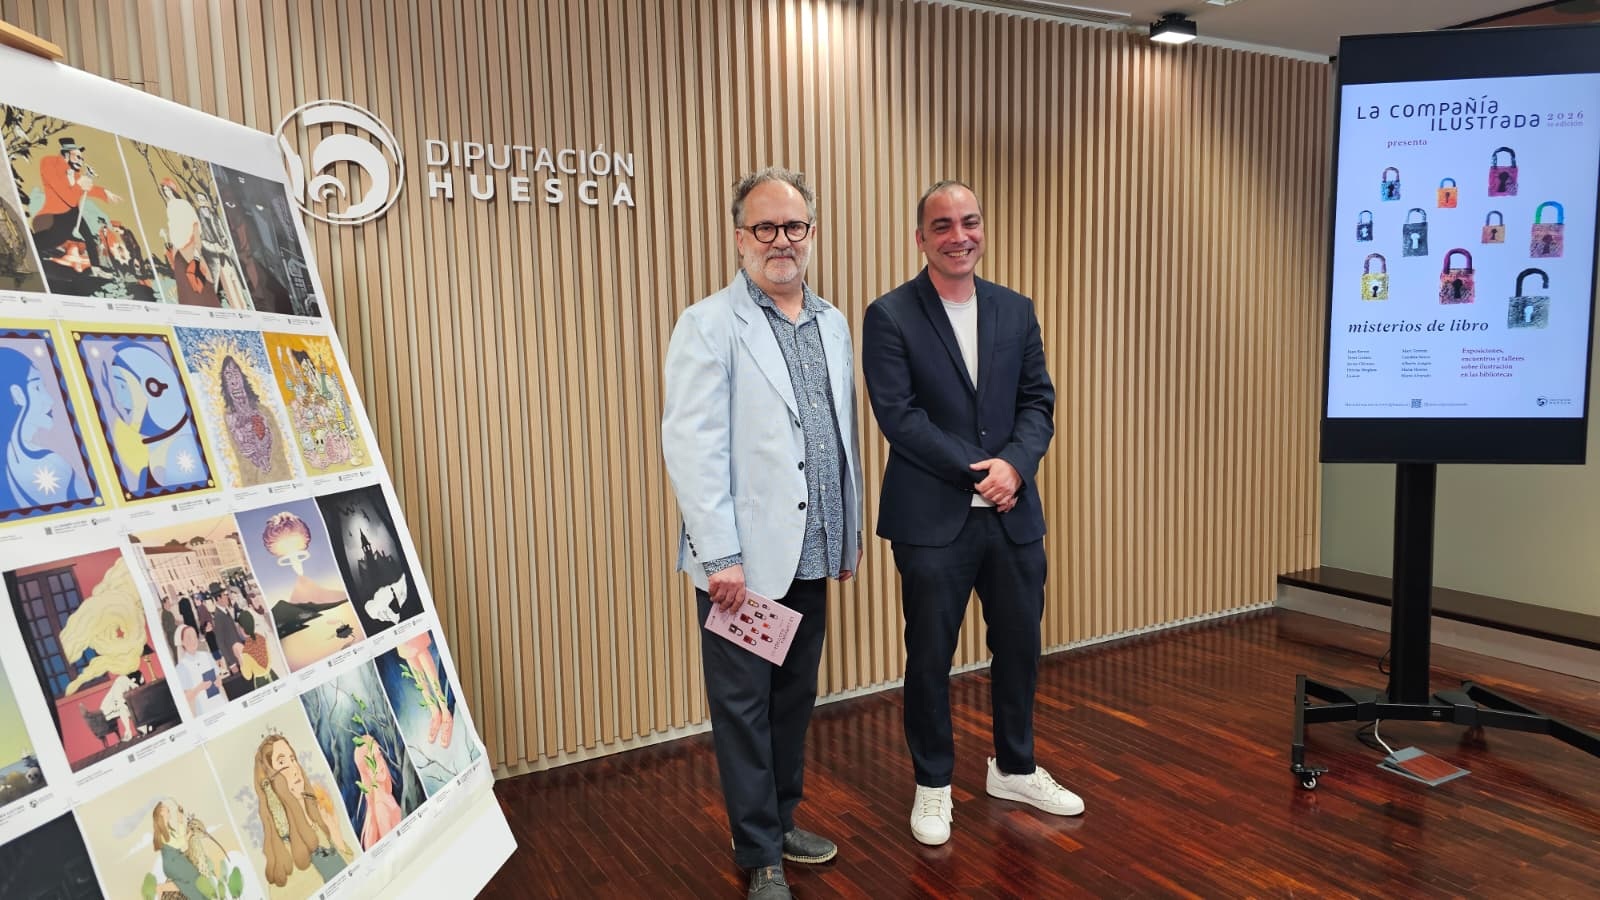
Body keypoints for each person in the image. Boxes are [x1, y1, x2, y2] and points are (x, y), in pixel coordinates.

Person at [661, 167, 864, 900]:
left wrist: (846, 536)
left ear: (812, 232)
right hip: (742, 566)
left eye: (795, 226)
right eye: (765, 227)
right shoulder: (709, 324)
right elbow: (692, 447)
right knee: (744, 709)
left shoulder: (832, 322)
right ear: (739, 235)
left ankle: (779, 822)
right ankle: (759, 855)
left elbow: (838, 439)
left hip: (809, 557)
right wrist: (721, 555)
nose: (782, 241)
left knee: (792, 702)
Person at [861, 180, 1083, 847]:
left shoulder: (1016, 310)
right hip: (932, 521)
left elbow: (1037, 403)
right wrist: (983, 472)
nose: (960, 236)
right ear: (921, 237)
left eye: (971, 222)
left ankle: (1014, 766)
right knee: (929, 655)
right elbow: (900, 418)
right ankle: (933, 785)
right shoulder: (890, 314)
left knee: (1019, 647)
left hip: (1014, 513)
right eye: (943, 225)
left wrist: (1016, 465)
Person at [31, 137, 122, 270]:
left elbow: (88, 189)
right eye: (78, 156)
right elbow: (65, 194)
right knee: (56, 238)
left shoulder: (75, 173)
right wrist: (79, 184)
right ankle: (30, 248)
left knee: (89, 237)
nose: (81, 160)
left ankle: (96, 267)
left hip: (73, 212)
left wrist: (105, 193)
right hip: (56, 213)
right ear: (67, 154)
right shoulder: (49, 163)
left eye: (81, 158)